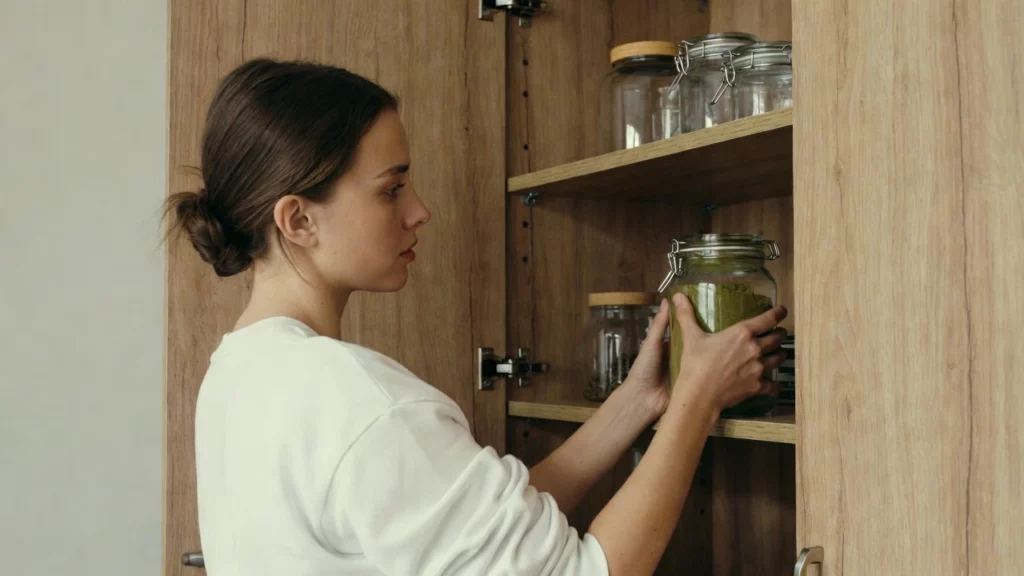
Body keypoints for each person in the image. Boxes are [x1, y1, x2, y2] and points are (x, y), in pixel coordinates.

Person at [165, 59, 788, 576]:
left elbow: (479, 528)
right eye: (391, 189)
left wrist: (638, 404)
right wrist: (696, 403)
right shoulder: (358, 401)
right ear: (299, 220)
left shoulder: (238, 374)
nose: (420, 211)